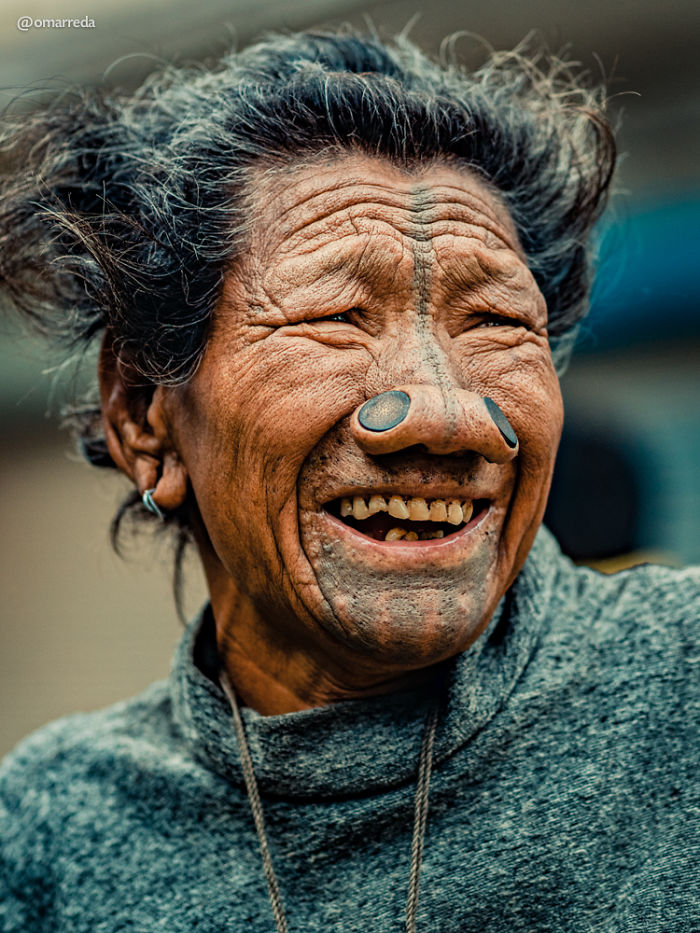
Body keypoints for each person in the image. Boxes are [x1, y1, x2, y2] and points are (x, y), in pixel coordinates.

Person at [0, 28, 698, 933]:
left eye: (494, 320)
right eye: (335, 316)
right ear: (143, 415)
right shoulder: (53, 830)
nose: (446, 414)